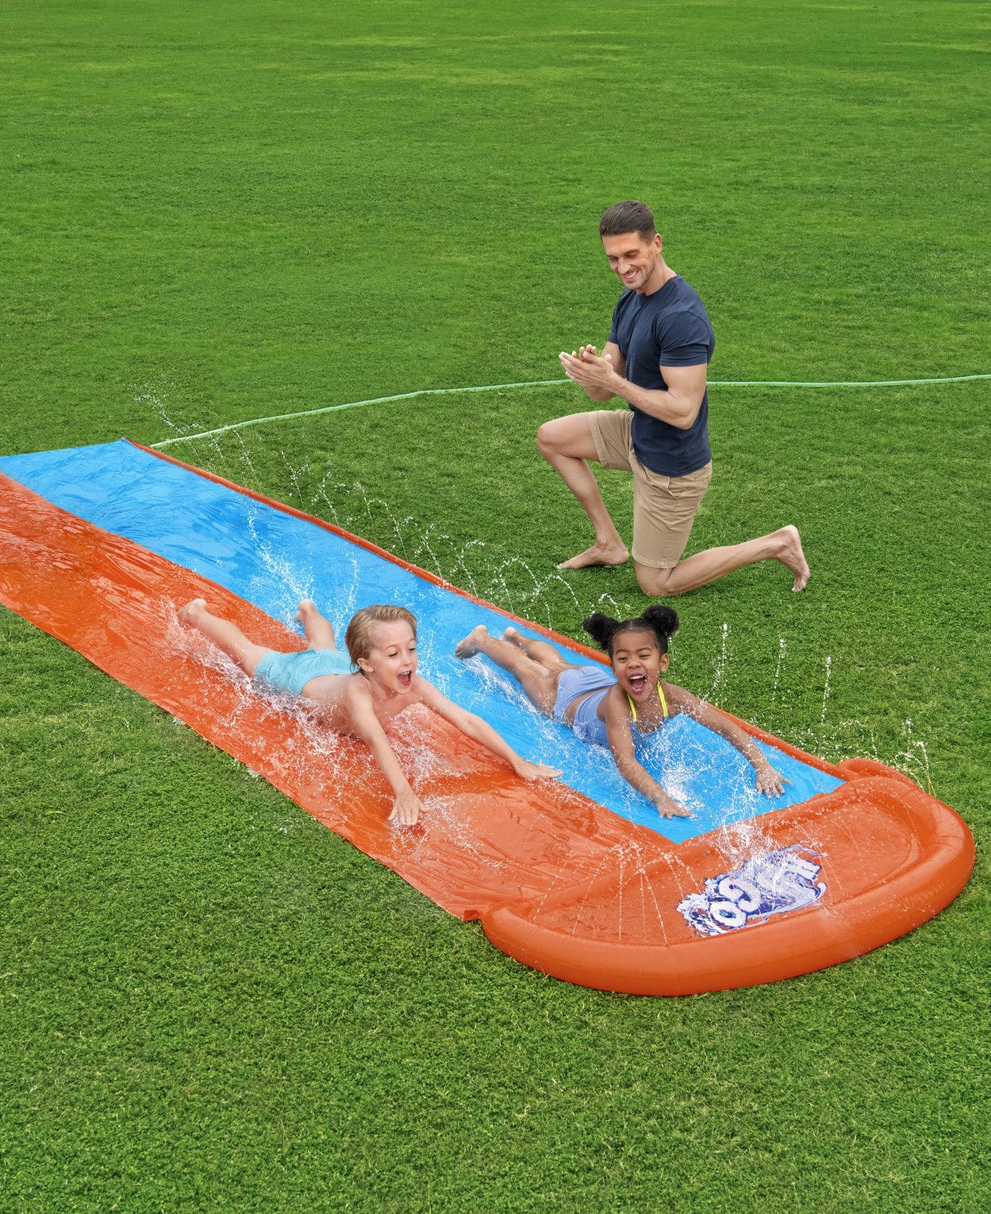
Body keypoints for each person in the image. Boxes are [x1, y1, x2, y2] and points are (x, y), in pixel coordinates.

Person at [536, 199, 810, 596]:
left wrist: (615, 383)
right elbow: (602, 393)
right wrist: (591, 374)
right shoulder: (630, 299)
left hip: (672, 465)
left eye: (631, 255)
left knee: (656, 584)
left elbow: (683, 412)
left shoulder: (681, 317)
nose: (622, 267)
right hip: (640, 432)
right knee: (552, 438)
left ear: (656, 244)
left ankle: (775, 543)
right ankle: (609, 543)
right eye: (613, 258)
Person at [179, 597, 560, 826]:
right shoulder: (357, 694)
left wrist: (516, 760)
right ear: (366, 663)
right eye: (393, 654)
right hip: (298, 680)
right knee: (248, 654)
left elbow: (465, 719)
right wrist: (403, 792)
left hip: (334, 667)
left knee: (324, 647)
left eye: (411, 649)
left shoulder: (412, 684)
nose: (407, 660)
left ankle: (308, 611)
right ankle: (196, 614)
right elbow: (376, 739)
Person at [455, 606, 787, 819]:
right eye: (623, 659)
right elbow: (625, 760)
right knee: (529, 670)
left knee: (557, 664)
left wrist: (763, 767)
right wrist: (660, 797)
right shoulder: (618, 703)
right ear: (613, 667)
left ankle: (516, 636)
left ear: (663, 663)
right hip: (565, 700)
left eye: (643, 656)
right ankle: (484, 639)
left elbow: (725, 727)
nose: (633, 664)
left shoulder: (674, 697)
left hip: (589, 680)